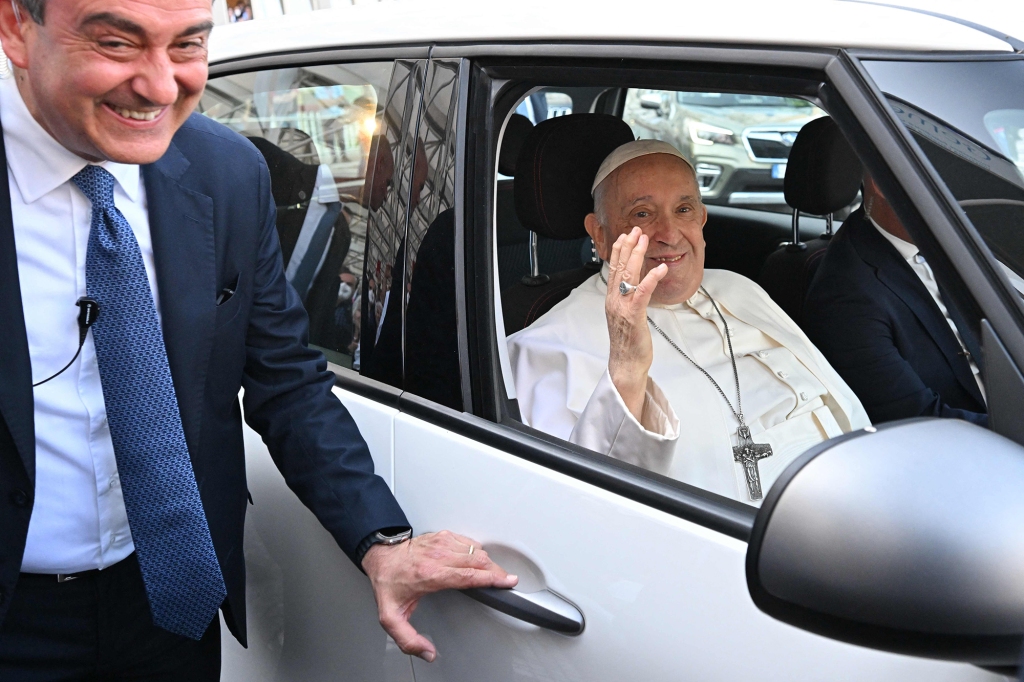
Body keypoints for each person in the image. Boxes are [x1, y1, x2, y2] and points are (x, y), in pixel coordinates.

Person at [0, 1, 515, 679]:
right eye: (118, 43)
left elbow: (287, 378)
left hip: (168, 607)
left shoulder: (227, 173)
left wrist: (381, 539)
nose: (160, 87)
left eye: (187, 45)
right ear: (16, 26)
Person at [508, 140, 869, 504]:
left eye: (683, 209)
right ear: (600, 235)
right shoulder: (543, 346)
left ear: (702, 218)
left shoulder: (739, 289)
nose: (669, 232)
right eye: (642, 214)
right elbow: (577, 504)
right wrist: (627, 367)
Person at [803, 174, 988, 425]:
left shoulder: (953, 244)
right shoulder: (846, 295)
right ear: (881, 182)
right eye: (941, 175)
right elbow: (918, 420)